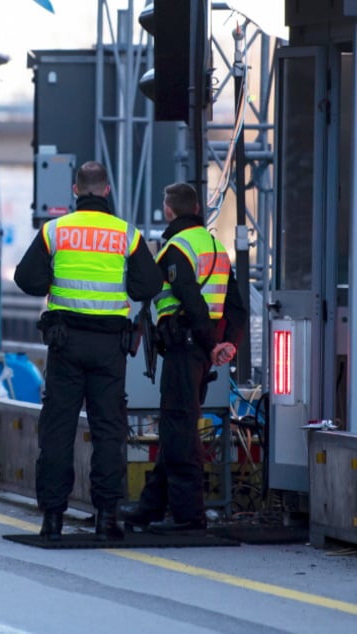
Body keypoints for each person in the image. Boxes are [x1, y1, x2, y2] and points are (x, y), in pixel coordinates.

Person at [14, 161, 163, 541]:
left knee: (58, 430)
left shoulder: (55, 231)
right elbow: (148, 286)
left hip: (65, 345)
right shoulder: (125, 234)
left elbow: (25, 278)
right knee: (109, 431)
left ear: (75, 190)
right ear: (107, 191)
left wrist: (54, 277)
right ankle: (107, 520)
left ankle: (52, 520)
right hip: (109, 348)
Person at [123, 182, 248, 534]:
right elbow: (236, 306)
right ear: (196, 208)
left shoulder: (177, 248)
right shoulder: (216, 247)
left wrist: (211, 345)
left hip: (186, 348)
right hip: (204, 352)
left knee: (180, 428)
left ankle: (188, 515)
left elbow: (191, 301)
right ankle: (149, 507)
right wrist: (228, 345)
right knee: (178, 426)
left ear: (169, 209)